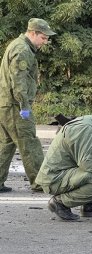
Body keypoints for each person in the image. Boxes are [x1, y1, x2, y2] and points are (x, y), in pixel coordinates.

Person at [0, 18, 56, 192]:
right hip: (16, 106)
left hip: (6, 104)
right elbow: (19, 81)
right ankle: (40, 182)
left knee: (6, 143)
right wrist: (24, 105)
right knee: (29, 142)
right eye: (44, 37)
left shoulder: (17, 45)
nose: (45, 42)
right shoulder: (22, 50)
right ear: (34, 33)